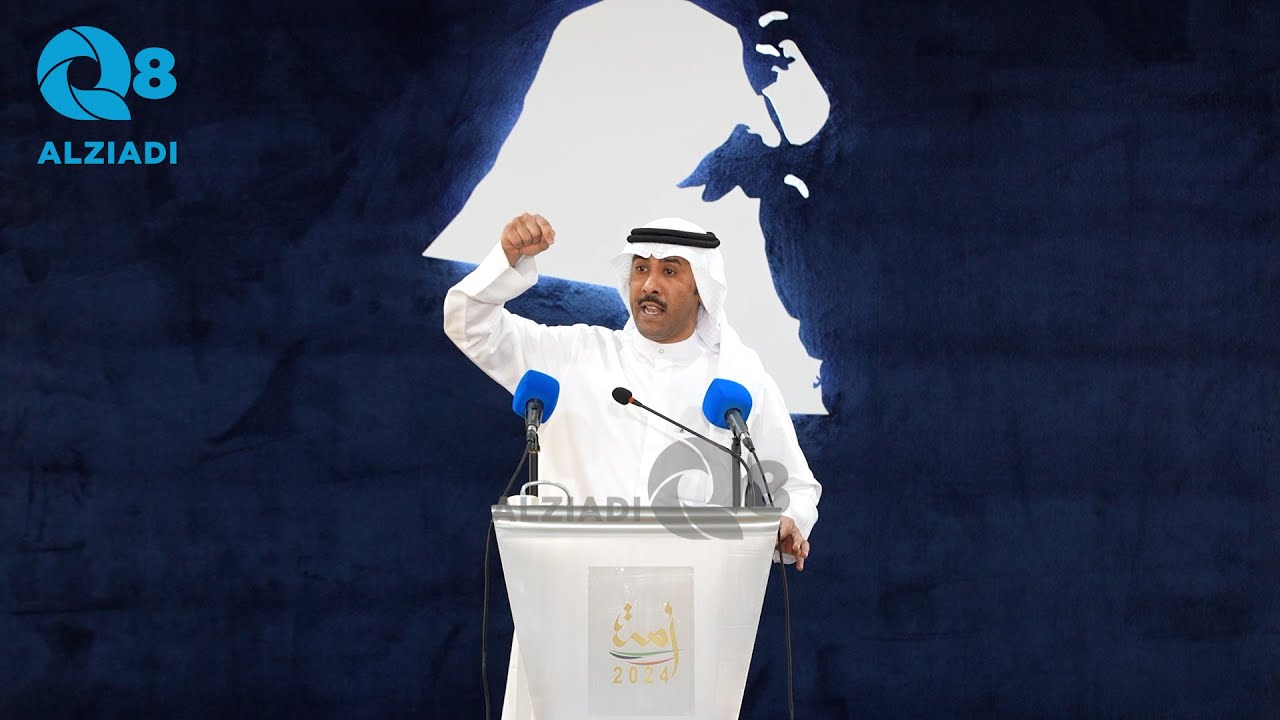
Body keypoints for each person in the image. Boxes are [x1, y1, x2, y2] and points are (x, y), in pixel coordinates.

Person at [444, 212, 820, 562]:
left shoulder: (737, 383)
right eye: (641, 269)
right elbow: (469, 325)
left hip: (693, 597)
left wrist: (790, 520)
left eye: (669, 271)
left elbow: (795, 485)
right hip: (571, 589)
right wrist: (506, 259)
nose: (650, 285)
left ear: (701, 290)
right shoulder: (571, 356)